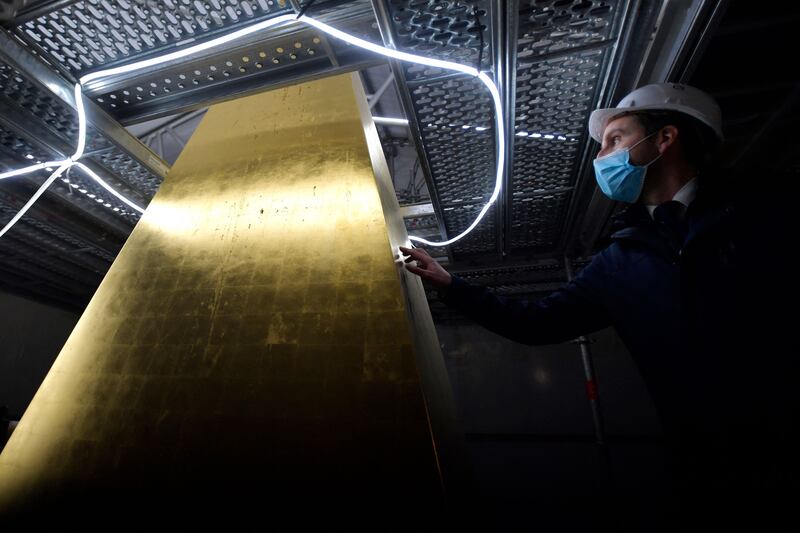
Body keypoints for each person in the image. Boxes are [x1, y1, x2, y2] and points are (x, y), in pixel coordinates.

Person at [399, 83, 793, 527]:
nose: (602, 156)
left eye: (615, 139)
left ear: (664, 139)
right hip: (710, 469)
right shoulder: (618, 263)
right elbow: (535, 324)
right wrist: (450, 284)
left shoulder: (769, 212)